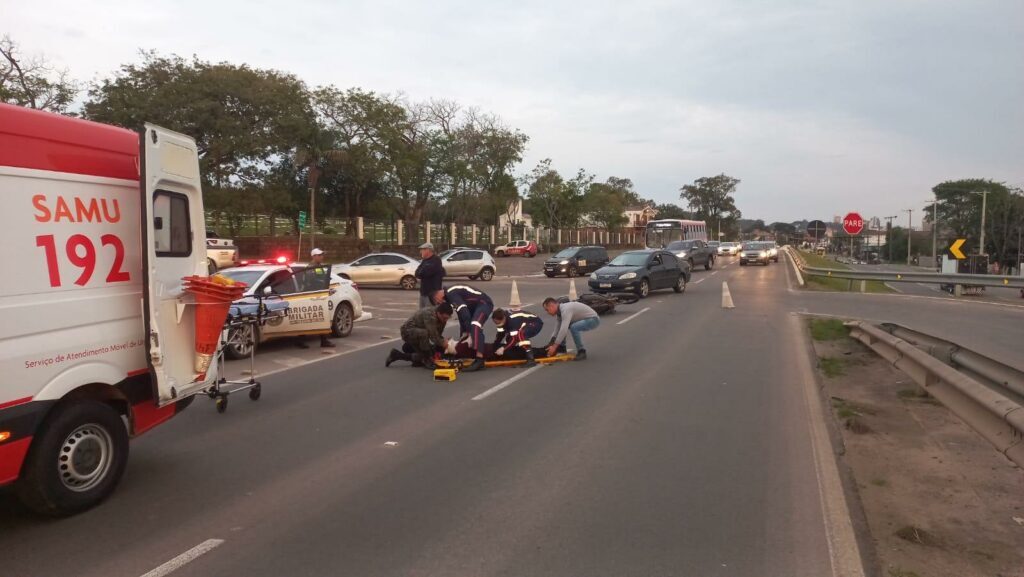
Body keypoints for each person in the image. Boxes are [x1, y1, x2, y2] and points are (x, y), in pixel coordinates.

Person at [436, 285, 493, 372]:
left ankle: (479, 359)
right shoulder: (448, 297)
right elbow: (461, 316)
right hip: (474, 306)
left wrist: (470, 334)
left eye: (437, 301)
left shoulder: (451, 293)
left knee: (475, 324)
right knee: (468, 328)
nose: (439, 303)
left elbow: (464, 313)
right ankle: (471, 351)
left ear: (437, 295)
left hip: (484, 303)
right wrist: (464, 333)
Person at [386, 303, 455, 369]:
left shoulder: (442, 318)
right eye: (444, 318)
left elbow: (437, 335)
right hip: (408, 332)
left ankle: (396, 355)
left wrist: (444, 341)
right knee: (425, 337)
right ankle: (427, 360)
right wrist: (443, 343)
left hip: (420, 336)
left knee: (430, 353)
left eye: (447, 318)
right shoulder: (429, 314)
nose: (445, 320)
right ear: (439, 313)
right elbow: (433, 335)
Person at [297, 248, 335, 349]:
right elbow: (312, 282)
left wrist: (327, 287)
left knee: (321, 318)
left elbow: (322, 278)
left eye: (322, 254)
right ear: (313, 256)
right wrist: (323, 286)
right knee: (307, 319)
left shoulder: (319, 267)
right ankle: (301, 340)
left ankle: (324, 340)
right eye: (319, 255)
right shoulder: (310, 268)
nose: (322, 256)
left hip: (319, 295)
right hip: (311, 296)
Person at [543, 296, 599, 361]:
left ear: (551, 306)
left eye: (547, 310)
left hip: (593, 319)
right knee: (564, 326)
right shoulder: (559, 312)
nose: (547, 312)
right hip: (584, 319)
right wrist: (551, 343)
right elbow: (557, 329)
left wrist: (554, 347)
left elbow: (563, 330)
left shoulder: (565, 309)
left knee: (573, 327)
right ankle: (562, 348)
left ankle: (581, 351)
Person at [415, 242, 444, 309]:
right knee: (421, 314)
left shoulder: (436, 260)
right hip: (423, 293)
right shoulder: (424, 261)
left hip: (432, 294)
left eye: (422, 250)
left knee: (430, 314)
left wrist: (421, 272)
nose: (420, 252)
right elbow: (417, 273)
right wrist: (421, 272)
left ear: (428, 250)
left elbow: (426, 273)